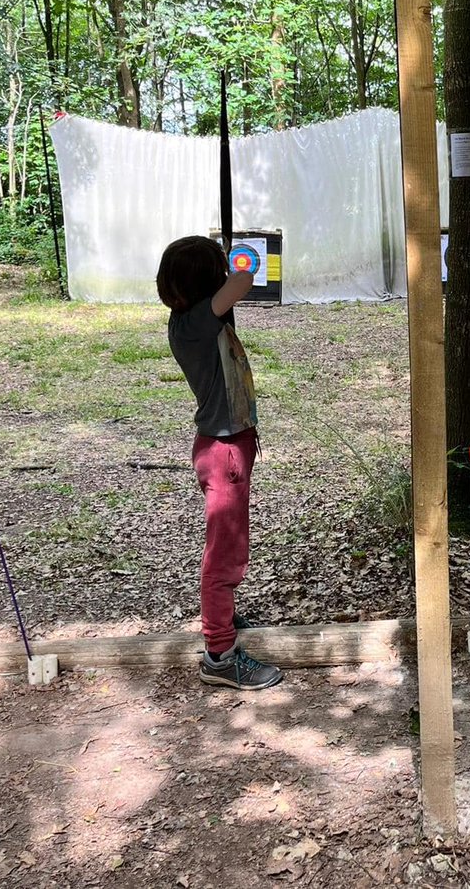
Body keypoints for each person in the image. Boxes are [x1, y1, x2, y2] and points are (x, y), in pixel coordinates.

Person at [156, 235, 283, 691]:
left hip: (229, 445)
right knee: (225, 555)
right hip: (223, 451)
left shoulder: (198, 317)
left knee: (229, 547)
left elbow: (230, 288)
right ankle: (219, 653)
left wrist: (220, 258)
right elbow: (244, 278)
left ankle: (222, 617)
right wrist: (236, 260)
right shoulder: (193, 324)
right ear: (206, 283)